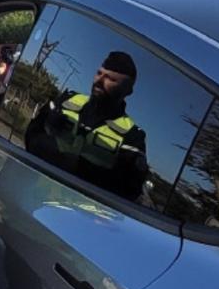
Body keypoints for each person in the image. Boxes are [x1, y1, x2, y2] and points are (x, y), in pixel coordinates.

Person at [25, 51, 149, 200]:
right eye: (99, 73)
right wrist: (47, 133)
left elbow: (126, 191)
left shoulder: (132, 137)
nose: (99, 81)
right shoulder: (66, 101)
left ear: (127, 90)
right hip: (31, 196)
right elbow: (30, 137)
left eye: (111, 79)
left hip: (79, 215)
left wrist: (76, 166)